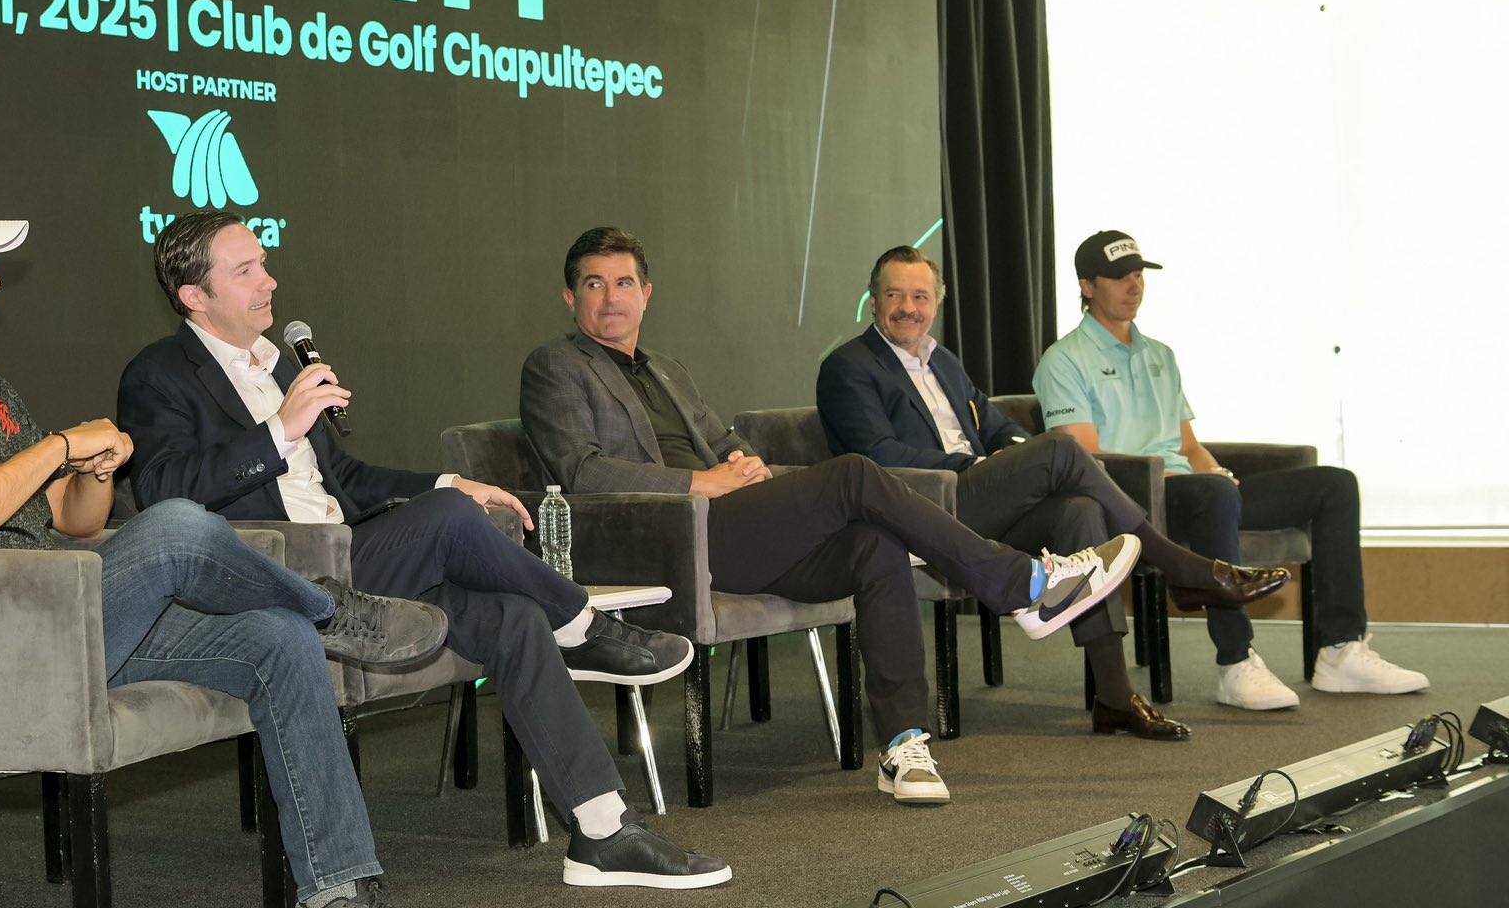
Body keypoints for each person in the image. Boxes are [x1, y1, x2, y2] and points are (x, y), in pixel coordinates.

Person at [0, 180, 465, 908]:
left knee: (277, 638)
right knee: (180, 523)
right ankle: (331, 611)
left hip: (68, 614)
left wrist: (93, 471)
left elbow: (74, 522)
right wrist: (56, 448)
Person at [117, 210, 731, 889]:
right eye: (246, 271)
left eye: (263, 263)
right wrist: (277, 432)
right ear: (194, 295)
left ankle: (603, 832)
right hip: (281, 578)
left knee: (511, 616)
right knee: (452, 523)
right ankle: (584, 624)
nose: (270, 281)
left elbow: (347, 481)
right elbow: (164, 494)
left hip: (354, 562)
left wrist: (447, 482)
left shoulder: (277, 365)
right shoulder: (159, 374)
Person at [520, 227, 1142, 806]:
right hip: (665, 537)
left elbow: (724, 440)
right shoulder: (555, 367)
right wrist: (700, 482)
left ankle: (903, 744)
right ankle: (1022, 584)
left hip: (735, 527)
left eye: (624, 282)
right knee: (853, 474)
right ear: (570, 297)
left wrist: (744, 464)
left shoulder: (666, 369)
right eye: (595, 284)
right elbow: (582, 470)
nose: (611, 298)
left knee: (875, 544)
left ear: (646, 294)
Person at [818, 246, 1291, 740]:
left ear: (937, 301)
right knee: (1062, 451)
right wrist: (985, 467)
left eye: (920, 296)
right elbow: (878, 454)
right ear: (873, 300)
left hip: (976, 507)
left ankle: (1114, 696)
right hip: (921, 511)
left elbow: (997, 427)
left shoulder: (944, 362)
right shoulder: (848, 366)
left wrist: (1016, 457)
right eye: (894, 295)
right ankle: (1183, 568)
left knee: (1080, 512)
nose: (908, 308)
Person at [1034, 230, 1427, 709]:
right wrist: (1189, 482)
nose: (1134, 286)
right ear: (1087, 286)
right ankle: (1235, 662)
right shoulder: (1064, 360)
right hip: (1134, 501)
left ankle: (1342, 650)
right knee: (1213, 495)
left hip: (1196, 492)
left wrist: (1216, 472)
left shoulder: (1160, 355)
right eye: (1119, 277)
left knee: (1334, 485)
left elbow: (1188, 445)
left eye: (1138, 275)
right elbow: (1088, 461)